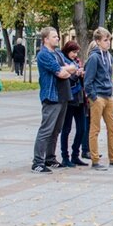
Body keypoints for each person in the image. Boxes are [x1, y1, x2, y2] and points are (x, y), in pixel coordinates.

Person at [31, 27, 75, 173]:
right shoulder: (44, 54)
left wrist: (67, 70)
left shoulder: (57, 53)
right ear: (46, 39)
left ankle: (50, 157)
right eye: (54, 36)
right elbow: (62, 72)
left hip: (62, 95)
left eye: (57, 36)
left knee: (56, 129)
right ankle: (38, 161)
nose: (57, 38)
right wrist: (67, 70)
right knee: (46, 129)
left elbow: (69, 68)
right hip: (51, 95)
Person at [84, 27, 113, 169]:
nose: (108, 42)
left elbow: (108, 76)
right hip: (98, 97)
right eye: (105, 40)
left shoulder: (108, 56)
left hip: (108, 96)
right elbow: (88, 80)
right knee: (95, 129)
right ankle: (95, 160)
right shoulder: (94, 57)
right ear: (97, 41)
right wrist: (93, 97)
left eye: (109, 39)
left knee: (112, 128)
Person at [60, 41, 88, 167]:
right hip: (70, 98)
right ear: (67, 51)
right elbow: (67, 78)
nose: (75, 55)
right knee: (66, 129)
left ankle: (75, 154)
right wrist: (76, 74)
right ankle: (65, 157)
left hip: (80, 98)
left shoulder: (76, 62)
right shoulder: (63, 62)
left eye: (76, 52)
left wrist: (81, 74)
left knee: (82, 128)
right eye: (73, 52)